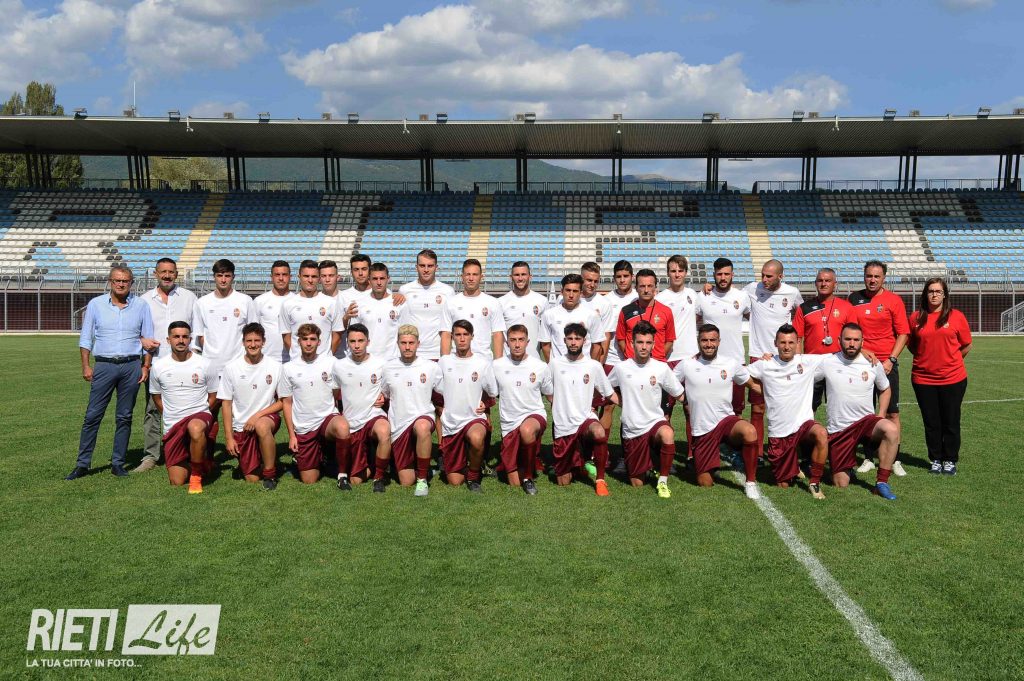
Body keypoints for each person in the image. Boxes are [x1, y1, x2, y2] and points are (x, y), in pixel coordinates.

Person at [68, 266, 155, 480]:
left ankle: (118, 463)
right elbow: (86, 338)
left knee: (124, 416)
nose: (121, 284)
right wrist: (86, 366)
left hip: (131, 366)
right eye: (117, 280)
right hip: (104, 366)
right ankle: (82, 464)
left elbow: (148, 339)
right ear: (110, 282)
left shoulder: (141, 306)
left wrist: (145, 366)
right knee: (92, 415)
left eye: (125, 281)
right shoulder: (96, 304)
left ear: (131, 283)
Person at [673, 324, 761, 499]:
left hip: (725, 421)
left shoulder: (730, 363)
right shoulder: (687, 364)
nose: (709, 344)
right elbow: (669, 382)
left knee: (750, 431)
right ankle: (711, 461)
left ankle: (750, 482)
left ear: (719, 341)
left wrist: (777, 395)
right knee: (705, 483)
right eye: (704, 340)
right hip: (702, 429)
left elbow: (752, 385)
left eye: (712, 340)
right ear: (698, 342)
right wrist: (682, 397)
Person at [816, 323, 900, 500]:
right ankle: (846, 467)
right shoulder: (827, 362)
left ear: (863, 342)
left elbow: (885, 388)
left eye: (856, 340)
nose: (852, 343)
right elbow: (798, 366)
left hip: (866, 422)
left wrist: (881, 414)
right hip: (840, 429)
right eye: (847, 339)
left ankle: (882, 483)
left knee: (891, 429)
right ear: (839, 340)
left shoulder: (872, 363)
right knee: (841, 483)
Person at [746, 325, 829, 498]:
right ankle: (793, 468)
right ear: (775, 343)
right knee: (783, 485)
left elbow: (839, 356)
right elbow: (741, 374)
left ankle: (814, 482)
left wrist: (864, 351)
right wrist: (757, 387)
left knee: (821, 433)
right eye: (782, 342)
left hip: (803, 425)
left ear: (798, 343)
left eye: (791, 342)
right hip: (779, 432)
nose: (786, 346)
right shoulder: (765, 364)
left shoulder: (807, 361)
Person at [609, 321, 685, 498]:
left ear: (653, 344)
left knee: (667, 433)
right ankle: (652, 462)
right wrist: (623, 402)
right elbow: (606, 388)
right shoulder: (621, 368)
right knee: (637, 483)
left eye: (648, 343)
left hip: (654, 423)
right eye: (640, 342)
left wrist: (697, 403)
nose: (644, 347)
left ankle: (663, 481)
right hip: (632, 429)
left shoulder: (661, 368)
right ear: (632, 343)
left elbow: (680, 394)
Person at [848, 260, 910, 476]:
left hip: (886, 365)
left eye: (876, 276)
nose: (872, 280)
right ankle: (868, 457)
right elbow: (850, 331)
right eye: (869, 276)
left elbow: (903, 333)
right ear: (864, 276)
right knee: (865, 413)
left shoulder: (894, 300)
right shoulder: (853, 299)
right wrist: (863, 350)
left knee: (892, 413)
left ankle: (895, 459)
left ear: (884, 278)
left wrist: (891, 360)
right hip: (861, 364)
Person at [907, 278, 972, 475]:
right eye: (930, 291)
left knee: (950, 421)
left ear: (944, 295)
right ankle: (935, 459)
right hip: (923, 379)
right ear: (925, 294)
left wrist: (950, 360)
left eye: (938, 291)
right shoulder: (916, 317)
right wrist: (926, 359)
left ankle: (950, 460)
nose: (934, 295)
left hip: (953, 378)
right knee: (931, 422)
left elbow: (966, 345)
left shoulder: (956, 316)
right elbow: (911, 345)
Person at [192, 258, 257, 454]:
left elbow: (253, 334)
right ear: (214, 277)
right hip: (211, 369)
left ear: (233, 277)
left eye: (227, 276)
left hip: (238, 368)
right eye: (219, 275)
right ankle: (206, 456)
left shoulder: (245, 301)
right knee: (208, 414)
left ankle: (246, 454)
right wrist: (210, 357)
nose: (223, 279)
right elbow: (199, 336)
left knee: (242, 414)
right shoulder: (202, 303)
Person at [138, 257, 196, 473]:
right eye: (163, 271)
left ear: (176, 274)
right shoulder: (144, 300)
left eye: (171, 272)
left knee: (187, 410)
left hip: (185, 365)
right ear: (156, 274)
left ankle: (187, 452)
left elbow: (198, 330)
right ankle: (151, 456)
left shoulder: (189, 298)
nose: (167, 275)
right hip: (155, 364)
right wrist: (142, 341)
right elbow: (136, 330)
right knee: (153, 410)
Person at [740, 260, 803, 448]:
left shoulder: (792, 293)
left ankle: (784, 448)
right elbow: (732, 297)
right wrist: (710, 288)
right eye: (762, 275)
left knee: (783, 406)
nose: (764, 279)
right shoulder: (752, 288)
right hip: (758, 356)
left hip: (783, 358)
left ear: (780, 276)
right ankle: (758, 452)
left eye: (769, 276)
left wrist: (797, 349)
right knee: (758, 408)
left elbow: (801, 316)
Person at [549, 323, 618, 494]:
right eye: (570, 339)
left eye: (577, 339)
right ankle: (579, 465)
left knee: (599, 432)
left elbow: (609, 393)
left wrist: (631, 405)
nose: (573, 342)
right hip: (563, 426)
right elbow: (546, 390)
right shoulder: (555, 364)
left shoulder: (593, 365)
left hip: (585, 419)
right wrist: (557, 405)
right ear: (564, 340)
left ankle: (600, 480)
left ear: (584, 341)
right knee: (563, 481)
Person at [149, 321, 216, 493]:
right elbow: (156, 397)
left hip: (199, 416)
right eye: (176, 336)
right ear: (168, 340)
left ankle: (196, 474)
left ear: (190, 339)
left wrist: (202, 412)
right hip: (173, 423)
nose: (181, 340)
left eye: (185, 337)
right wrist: (171, 414)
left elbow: (213, 396)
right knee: (177, 481)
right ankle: (201, 458)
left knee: (195, 427)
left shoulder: (204, 364)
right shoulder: (158, 366)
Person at [279, 324, 350, 486]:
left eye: (313, 339)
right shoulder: (288, 368)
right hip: (305, 426)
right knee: (309, 480)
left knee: (342, 427)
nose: (309, 343)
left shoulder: (331, 362)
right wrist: (292, 435)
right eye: (305, 339)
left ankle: (342, 475)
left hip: (327, 420)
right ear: (299, 342)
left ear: (319, 342)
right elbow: (287, 403)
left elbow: (338, 391)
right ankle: (318, 457)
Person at [217, 322, 283, 490]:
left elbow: (283, 401)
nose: (253, 345)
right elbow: (226, 404)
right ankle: (260, 458)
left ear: (263, 342)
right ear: (243, 342)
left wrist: (257, 416)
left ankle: (270, 474)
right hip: (242, 426)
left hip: (267, 419)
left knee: (261, 426)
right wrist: (229, 438)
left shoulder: (275, 366)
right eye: (249, 341)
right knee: (251, 478)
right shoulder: (231, 368)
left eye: (257, 340)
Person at [381, 324, 443, 496]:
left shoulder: (431, 367)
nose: (407, 347)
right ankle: (424, 469)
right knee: (406, 481)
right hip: (399, 425)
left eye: (411, 343)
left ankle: (422, 480)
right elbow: (384, 394)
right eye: (403, 343)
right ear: (397, 344)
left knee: (422, 427)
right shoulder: (388, 368)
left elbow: (446, 391)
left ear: (418, 344)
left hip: (422, 417)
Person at [437, 320, 498, 491]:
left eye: (465, 334)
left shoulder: (482, 362)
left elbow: (492, 391)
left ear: (472, 336)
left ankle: (473, 477)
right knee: (455, 481)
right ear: (452, 337)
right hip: (451, 423)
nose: (462, 338)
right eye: (458, 335)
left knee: (477, 438)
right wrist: (441, 409)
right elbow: (436, 390)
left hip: (473, 418)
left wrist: (484, 403)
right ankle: (468, 460)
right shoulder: (444, 362)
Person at [492, 324, 553, 494]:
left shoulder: (540, 366)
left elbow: (550, 395)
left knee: (526, 430)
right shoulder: (497, 366)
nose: (517, 344)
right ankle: (522, 467)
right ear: (507, 343)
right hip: (509, 424)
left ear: (528, 342)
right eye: (513, 340)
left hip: (534, 416)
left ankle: (528, 478)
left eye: (521, 340)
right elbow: (490, 393)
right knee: (514, 483)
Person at [332, 324, 391, 492]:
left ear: (368, 342)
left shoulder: (381, 364)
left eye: (360, 341)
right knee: (357, 480)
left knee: (384, 430)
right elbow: (334, 394)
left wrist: (384, 396)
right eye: (352, 341)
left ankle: (379, 477)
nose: (356, 345)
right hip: (352, 422)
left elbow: (390, 388)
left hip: (373, 415)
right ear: (347, 343)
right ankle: (374, 461)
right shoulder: (339, 366)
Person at [694, 257, 751, 415]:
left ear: (732, 275)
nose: (723, 278)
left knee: (736, 411)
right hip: (709, 363)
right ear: (714, 275)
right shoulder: (703, 296)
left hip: (736, 361)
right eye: (719, 274)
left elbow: (756, 321)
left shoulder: (742, 297)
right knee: (709, 408)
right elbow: (690, 324)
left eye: (726, 274)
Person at [793, 268, 854, 411]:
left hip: (838, 363)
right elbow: (797, 338)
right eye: (820, 280)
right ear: (815, 283)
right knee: (808, 407)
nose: (824, 284)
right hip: (812, 364)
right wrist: (798, 363)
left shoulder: (846, 307)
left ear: (835, 284)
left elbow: (853, 336)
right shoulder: (804, 308)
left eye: (828, 281)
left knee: (839, 406)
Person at [440, 258, 505, 359]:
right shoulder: (451, 303)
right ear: (462, 277)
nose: (471, 278)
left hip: (484, 360)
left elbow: (497, 335)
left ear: (481, 277)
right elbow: (446, 334)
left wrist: (498, 363)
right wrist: (444, 361)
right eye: (467, 274)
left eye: (475, 274)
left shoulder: (493, 302)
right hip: (458, 361)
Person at [397, 249, 455, 362]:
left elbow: (452, 324)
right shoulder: (405, 290)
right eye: (422, 266)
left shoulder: (448, 291)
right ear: (416, 267)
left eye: (430, 266)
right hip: (413, 353)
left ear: (436, 267)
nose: (426, 270)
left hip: (438, 353)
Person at [280, 259, 342, 359]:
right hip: (298, 362)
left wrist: (326, 357)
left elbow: (337, 335)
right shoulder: (288, 304)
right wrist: (297, 357)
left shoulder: (331, 303)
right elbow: (286, 337)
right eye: (306, 276)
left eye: (314, 276)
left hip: (324, 363)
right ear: (299, 277)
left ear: (319, 279)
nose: (310, 280)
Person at [538, 274, 605, 361]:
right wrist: (553, 365)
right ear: (562, 291)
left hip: (583, 367)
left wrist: (590, 366)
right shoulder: (549, 314)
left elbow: (597, 345)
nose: (571, 295)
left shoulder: (592, 315)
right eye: (568, 290)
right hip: (559, 366)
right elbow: (545, 344)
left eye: (575, 291)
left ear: (580, 293)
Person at [615, 268, 676, 362]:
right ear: (636, 288)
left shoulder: (666, 311)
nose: (646, 290)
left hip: (657, 363)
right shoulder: (626, 311)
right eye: (642, 286)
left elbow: (669, 340)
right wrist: (630, 357)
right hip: (633, 364)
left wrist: (658, 357)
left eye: (650, 286)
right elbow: (620, 339)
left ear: (655, 287)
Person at [354, 262, 406, 361]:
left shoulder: (398, 303)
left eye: (382, 278)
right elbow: (354, 334)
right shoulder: (359, 304)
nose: (378, 282)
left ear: (388, 279)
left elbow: (405, 333)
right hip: (367, 360)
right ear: (369, 280)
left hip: (392, 359)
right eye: (375, 279)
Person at [498, 261, 548, 360]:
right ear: (511, 277)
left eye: (523, 274)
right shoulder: (501, 302)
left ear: (530, 276)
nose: (520, 278)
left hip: (533, 360)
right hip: (508, 361)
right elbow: (498, 335)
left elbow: (546, 337)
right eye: (516, 275)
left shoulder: (542, 301)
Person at [253, 260, 293, 363]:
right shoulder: (260, 301)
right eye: (277, 275)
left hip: (292, 360)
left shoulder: (297, 301)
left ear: (290, 277)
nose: (281, 278)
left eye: (284, 274)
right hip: (266, 360)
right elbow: (253, 332)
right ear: (271, 277)